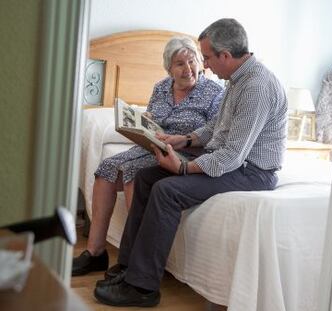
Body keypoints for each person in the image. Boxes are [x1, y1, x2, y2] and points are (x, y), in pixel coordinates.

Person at [93, 18, 287, 307]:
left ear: (225, 55)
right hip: (231, 161)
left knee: (167, 190)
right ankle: (129, 266)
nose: (204, 66)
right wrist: (183, 140)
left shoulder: (256, 87)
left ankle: (142, 287)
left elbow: (232, 156)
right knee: (146, 177)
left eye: (206, 58)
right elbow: (214, 129)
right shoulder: (236, 80)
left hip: (251, 171)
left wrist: (183, 168)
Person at [72, 36, 224, 276]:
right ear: (169, 69)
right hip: (150, 146)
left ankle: (134, 261)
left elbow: (215, 133)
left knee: (136, 175)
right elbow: (153, 117)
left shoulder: (214, 92)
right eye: (180, 64)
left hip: (184, 152)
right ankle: (95, 253)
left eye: (192, 61)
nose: (188, 69)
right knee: (106, 170)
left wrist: (183, 140)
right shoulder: (161, 87)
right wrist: (146, 124)